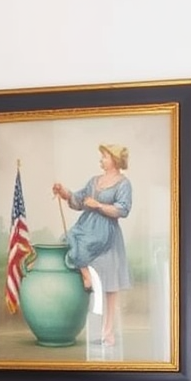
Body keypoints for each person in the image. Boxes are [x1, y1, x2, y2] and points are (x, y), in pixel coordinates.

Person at [52, 144, 132, 346]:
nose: (101, 160)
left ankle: (108, 334)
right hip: (87, 226)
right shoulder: (94, 181)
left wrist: (99, 205)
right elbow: (78, 200)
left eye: (104, 156)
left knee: (110, 287)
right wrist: (64, 192)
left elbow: (123, 210)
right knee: (69, 239)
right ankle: (86, 273)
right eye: (102, 156)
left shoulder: (123, 183)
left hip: (107, 234)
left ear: (114, 159)